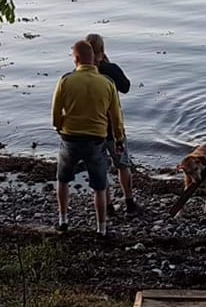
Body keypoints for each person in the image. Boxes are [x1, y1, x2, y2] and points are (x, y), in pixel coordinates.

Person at [51, 39, 125, 236]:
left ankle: (63, 220)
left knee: (63, 179)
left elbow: (56, 110)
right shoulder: (107, 83)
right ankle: (101, 228)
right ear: (94, 58)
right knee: (99, 186)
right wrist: (118, 139)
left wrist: (59, 127)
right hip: (96, 140)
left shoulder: (66, 80)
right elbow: (116, 117)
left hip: (70, 138)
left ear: (76, 59)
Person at [85, 32, 143, 216]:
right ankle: (129, 202)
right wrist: (109, 65)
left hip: (92, 129)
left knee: (100, 168)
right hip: (113, 128)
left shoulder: (80, 74)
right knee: (123, 165)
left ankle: (107, 205)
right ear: (102, 50)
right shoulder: (110, 70)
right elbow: (125, 87)